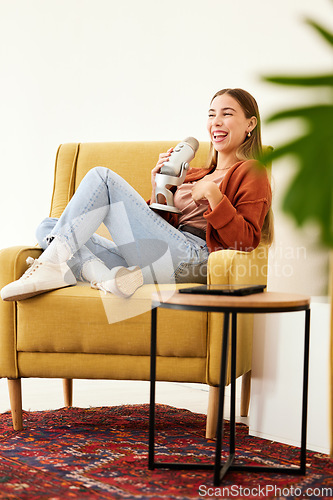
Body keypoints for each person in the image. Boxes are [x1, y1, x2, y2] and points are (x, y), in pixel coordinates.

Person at [1, 88, 273, 302]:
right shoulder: (194, 173)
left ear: (250, 124)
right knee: (48, 226)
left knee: (102, 178)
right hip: (163, 254)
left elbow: (246, 241)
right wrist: (159, 189)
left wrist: (215, 196)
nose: (216, 122)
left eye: (227, 114)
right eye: (211, 114)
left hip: (195, 258)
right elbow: (160, 228)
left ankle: (52, 265)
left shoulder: (252, 171)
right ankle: (104, 277)